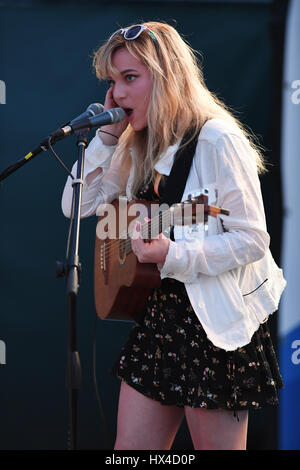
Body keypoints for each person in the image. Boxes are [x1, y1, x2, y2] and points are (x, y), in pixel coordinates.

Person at [61, 21, 286, 450]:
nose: (118, 95)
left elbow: (252, 239)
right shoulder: (134, 144)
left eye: (130, 78)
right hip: (159, 320)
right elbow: (77, 207)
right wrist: (106, 140)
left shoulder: (218, 139)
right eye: (113, 81)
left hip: (216, 326)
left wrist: (174, 253)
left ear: (167, 79)